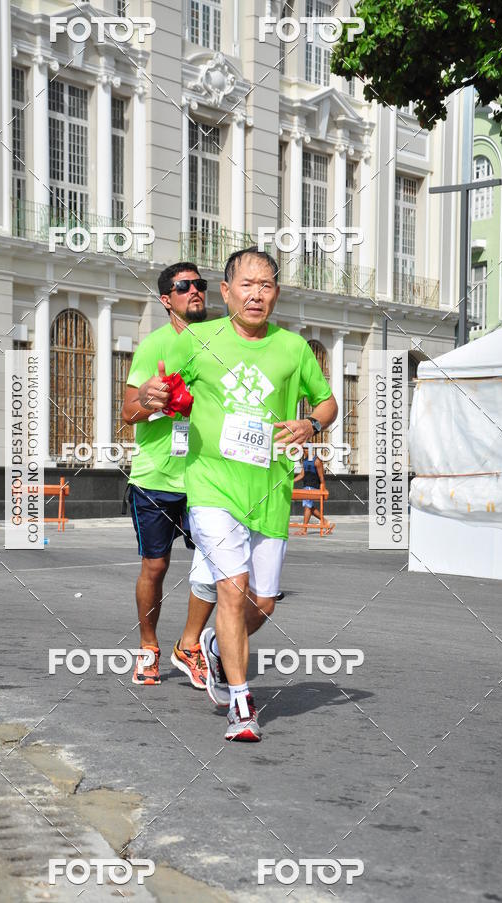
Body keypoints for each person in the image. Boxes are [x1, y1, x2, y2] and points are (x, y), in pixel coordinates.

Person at [161, 247, 338, 741]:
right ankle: (242, 703)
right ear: (226, 291)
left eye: (266, 286)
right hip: (212, 484)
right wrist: (158, 399)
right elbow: (154, 393)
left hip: (271, 487)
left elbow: (327, 403)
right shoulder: (197, 338)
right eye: (247, 284)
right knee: (232, 591)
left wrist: (309, 422)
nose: (256, 294)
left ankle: (218, 647)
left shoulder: (293, 348)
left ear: (276, 293)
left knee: (262, 603)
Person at [121, 263, 217, 688]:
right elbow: (128, 413)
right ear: (167, 299)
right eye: (184, 286)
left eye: (200, 285)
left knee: (215, 564)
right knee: (155, 566)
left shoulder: (220, 340)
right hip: (156, 477)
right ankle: (148, 646)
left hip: (208, 476)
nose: (194, 291)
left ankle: (190, 645)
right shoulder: (153, 346)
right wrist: (156, 402)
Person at [294, 452, 334, 534]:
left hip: (312, 486)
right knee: (309, 507)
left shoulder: (317, 461)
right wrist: (291, 482)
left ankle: (304, 530)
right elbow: (302, 475)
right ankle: (326, 522)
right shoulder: (305, 460)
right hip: (306, 486)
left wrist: (323, 488)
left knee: (307, 507)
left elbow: (321, 476)